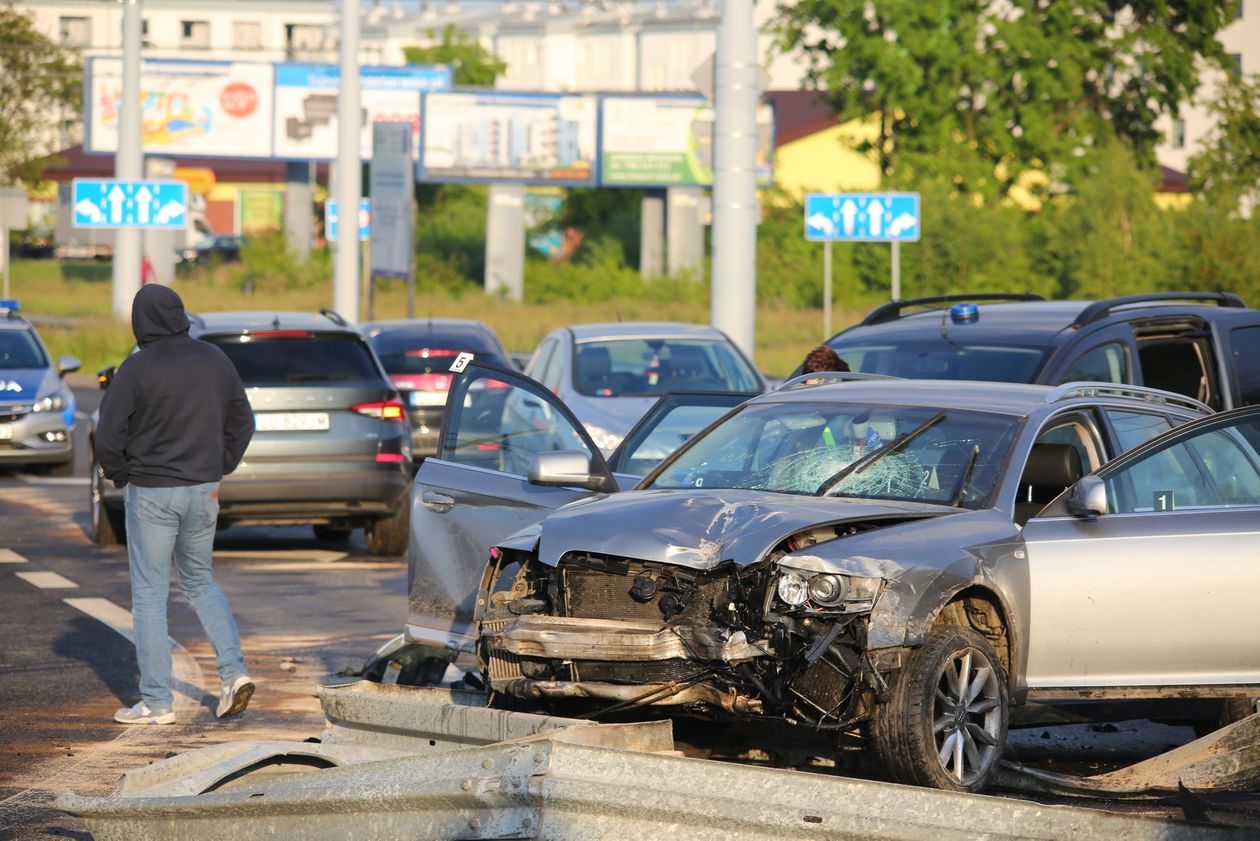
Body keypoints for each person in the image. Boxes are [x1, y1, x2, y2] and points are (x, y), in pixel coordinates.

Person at [96, 285, 256, 725]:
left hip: (151, 492)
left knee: (149, 594)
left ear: (141, 321)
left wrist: (121, 473)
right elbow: (243, 423)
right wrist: (218, 465)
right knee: (201, 582)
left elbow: (107, 436)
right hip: (203, 490)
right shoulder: (214, 361)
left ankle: (156, 702)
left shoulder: (137, 367)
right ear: (180, 315)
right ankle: (233, 673)